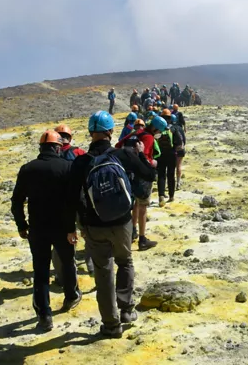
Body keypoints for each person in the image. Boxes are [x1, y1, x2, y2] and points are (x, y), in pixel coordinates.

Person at [64, 111, 155, 338]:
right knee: (125, 262)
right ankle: (126, 311)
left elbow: (71, 197)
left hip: (93, 226)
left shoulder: (81, 162)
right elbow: (149, 174)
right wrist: (142, 156)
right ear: (111, 131)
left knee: (103, 272)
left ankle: (111, 325)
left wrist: (71, 227)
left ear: (90, 132)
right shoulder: (123, 155)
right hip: (123, 221)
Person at [11, 130, 81, 332]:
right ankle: (71, 297)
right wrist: (72, 228)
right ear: (58, 147)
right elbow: (73, 201)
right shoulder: (67, 167)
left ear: (41, 148)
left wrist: (21, 225)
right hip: (63, 228)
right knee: (68, 263)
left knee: (40, 271)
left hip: (37, 229)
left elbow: (17, 201)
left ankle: (44, 316)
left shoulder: (27, 169)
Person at [115, 115, 165, 251]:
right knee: (143, 206)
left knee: (135, 204)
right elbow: (145, 157)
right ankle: (142, 239)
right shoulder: (148, 137)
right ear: (155, 128)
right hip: (142, 175)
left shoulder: (135, 133)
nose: (159, 133)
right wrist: (153, 163)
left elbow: (118, 146)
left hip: (128, 174)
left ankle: (133, 231)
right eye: (159, 131)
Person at [51, 124, 88, 283]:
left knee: (60, 240)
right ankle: (92, 265)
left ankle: (61, 276)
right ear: (70, 137)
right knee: (88, 233)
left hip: (60, 204)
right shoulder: (78, 152)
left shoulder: (52, 156)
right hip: (79, 199)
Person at [157, 110, 184, 205]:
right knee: (171, 175)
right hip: (172, 154)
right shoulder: (173, 129)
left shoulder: (158, 129)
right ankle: (171, 196)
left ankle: (161, 195)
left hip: (160, 155)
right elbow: (180, 144)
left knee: (161, 175)